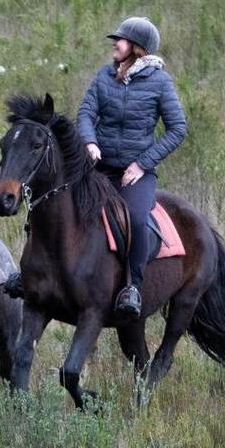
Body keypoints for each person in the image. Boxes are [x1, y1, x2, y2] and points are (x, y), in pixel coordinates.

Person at [76, 17, 187, 318]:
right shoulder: (104, 76)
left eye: (121, 40)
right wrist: (89, 141)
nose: (115, 43)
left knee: (136, 218)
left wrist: (142, 163)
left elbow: (178, 128)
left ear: (137, 49)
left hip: (134, 173)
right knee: (61, 202)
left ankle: (133, 287)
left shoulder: (160, 82)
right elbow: (86, 112)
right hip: (99, 166)